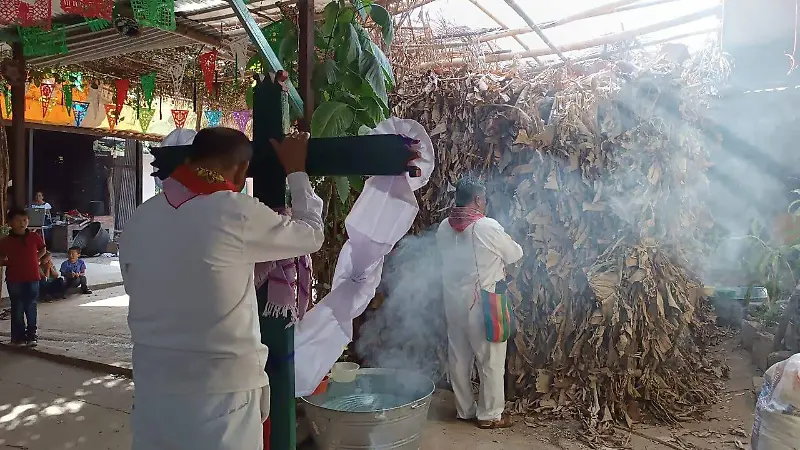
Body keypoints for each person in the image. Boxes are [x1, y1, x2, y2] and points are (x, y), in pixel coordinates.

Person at [120, 127, 325, 450]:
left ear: (189, 159)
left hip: (153, 390)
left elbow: (139, 287)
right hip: (222, 394)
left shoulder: (140, 218)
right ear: (242, 171)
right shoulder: (235, 211)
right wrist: (297, 173)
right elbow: (310, 234)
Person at [436, 177, 523, 429]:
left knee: (459, 357)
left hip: (452, 301)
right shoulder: (486, 227)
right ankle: (490, 415)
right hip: (483, 302)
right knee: (490, 359)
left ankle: (464, 410)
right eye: (483, 199)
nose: (485, 204)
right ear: (477, 199)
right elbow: (515, 253)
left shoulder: (444, 226)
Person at [0, 208, 47, 347]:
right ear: (10, 223)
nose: (22, 223)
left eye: (25, 220)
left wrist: (35, 259)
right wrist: (8, 262)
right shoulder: (5, 241)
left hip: (33, 277)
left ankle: (32, 335)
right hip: (14, 279)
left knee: (31, 306)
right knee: (17, 307)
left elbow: (43, 248)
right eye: (18, 220)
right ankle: (18, 337)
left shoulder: (34, 237)